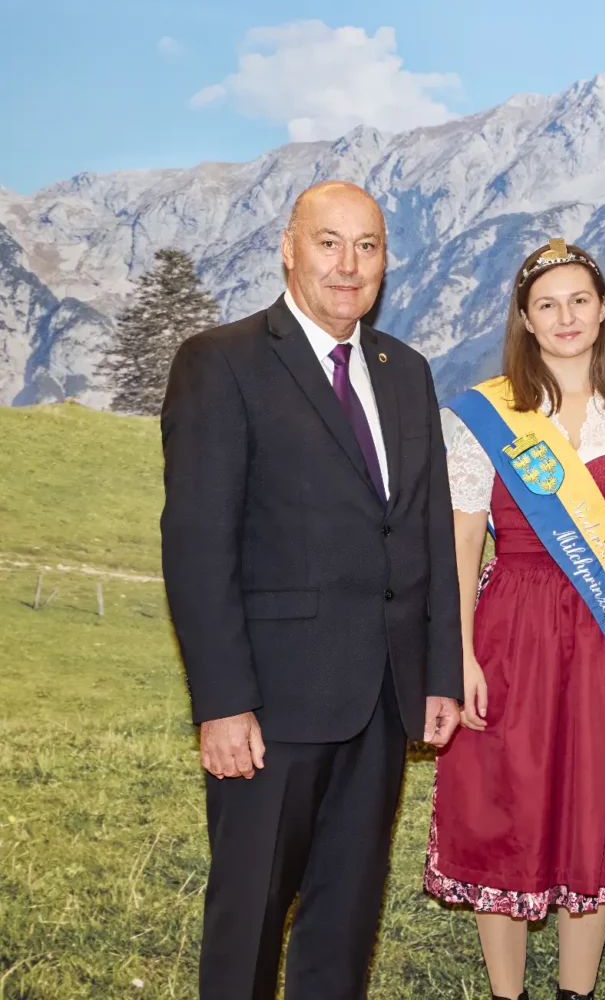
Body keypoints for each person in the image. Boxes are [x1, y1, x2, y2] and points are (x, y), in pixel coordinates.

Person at [161, 180, 463, 999]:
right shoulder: (220, 361)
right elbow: (196, 545)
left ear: (386, 262)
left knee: (345, 921)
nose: (348, 264)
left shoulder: (407, 371)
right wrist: (222, 702)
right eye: (328, 242)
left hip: (382, 700)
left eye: (367, 246)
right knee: (248, 921)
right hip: (269, 708)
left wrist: (439, 672)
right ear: (288, 249)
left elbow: (426, 526)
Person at [424, 239, 605, 1000]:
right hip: (513, 627)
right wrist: (459, 652)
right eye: (548, 305)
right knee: (505, 795)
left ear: (603, 310)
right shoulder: (485, 411)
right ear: (526, 321)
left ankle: (578, 993)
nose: (566, 317)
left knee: (593, 798)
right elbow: (463, 536)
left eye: (579, 301)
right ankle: (508, 995)